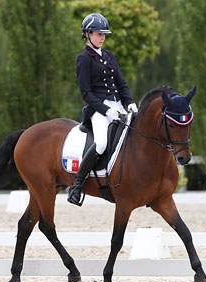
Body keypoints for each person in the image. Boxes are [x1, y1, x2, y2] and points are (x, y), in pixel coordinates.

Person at [67, 13, 138, 206]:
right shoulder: (84, 59)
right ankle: (77, 185)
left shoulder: (108, 56)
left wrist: (130, 102)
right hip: (99, 110)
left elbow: (121, 84)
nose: (103, 37)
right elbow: (86, 94)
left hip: (119, 106)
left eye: (104, 34)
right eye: (99, 33)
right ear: (88, 34)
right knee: (101, 144)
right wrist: (107, 111)